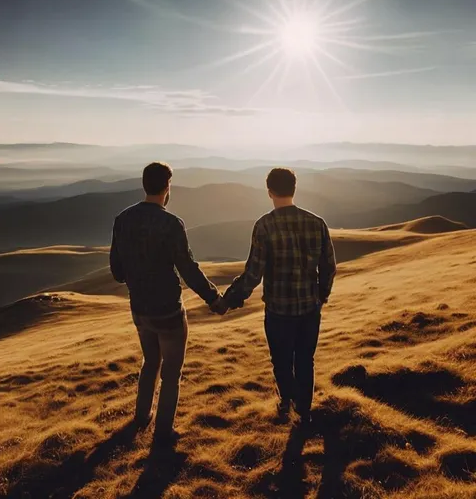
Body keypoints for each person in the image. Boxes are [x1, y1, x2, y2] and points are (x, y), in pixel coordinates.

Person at [109, 162, 224, 444]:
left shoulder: (122, 219)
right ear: (167, 187)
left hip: (139, 308)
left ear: (144, 184)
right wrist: (214, 299)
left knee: (150, 362)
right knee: (171, 372)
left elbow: (116, 271)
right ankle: (163, 432)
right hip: (169, 310)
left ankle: (141, 417)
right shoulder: (171, 223)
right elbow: (187, 268)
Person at [221, 168, 336, 424]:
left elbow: (253, 272)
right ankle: (304, 412)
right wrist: (321, 296)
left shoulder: (264, 225)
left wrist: (230, 299)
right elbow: (328, 266)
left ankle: (287, 402)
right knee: (305, 360)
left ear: (269, 192)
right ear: (294, 189)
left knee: (282, 361)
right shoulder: (317, 223)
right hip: (309, 309)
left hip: (278, 311)